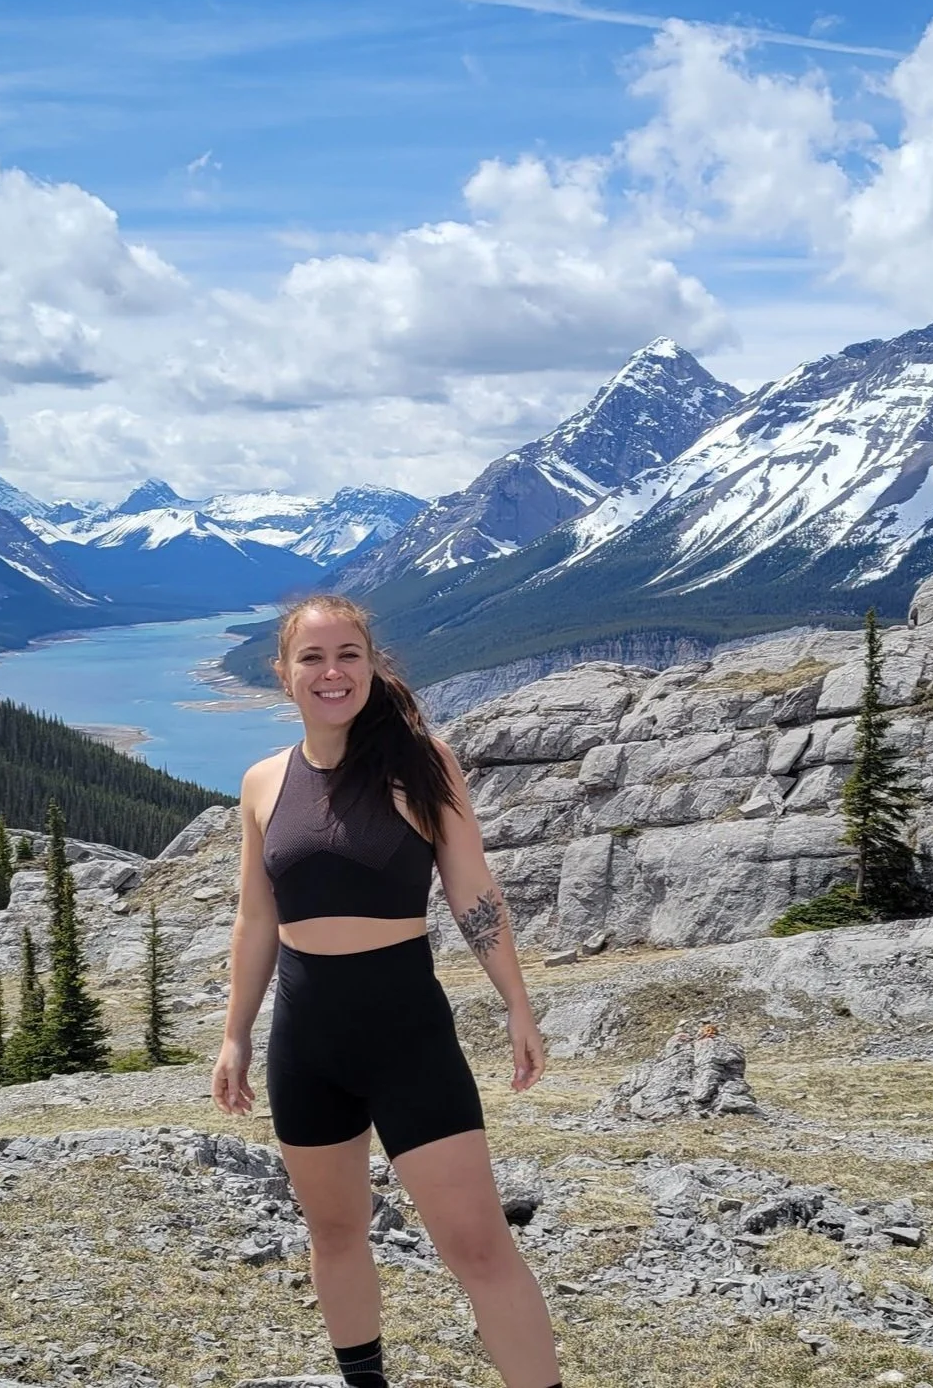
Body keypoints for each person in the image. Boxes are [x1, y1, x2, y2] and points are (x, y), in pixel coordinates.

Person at [210, 593, 564, 1388]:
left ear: (372, 665)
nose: (332, 672)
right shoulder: (264, 782)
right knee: (335, 1236)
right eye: (312, 658)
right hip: (306, 1039)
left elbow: (474, 889)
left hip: (407, 1034)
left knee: (478, 1245)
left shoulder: (422, 763)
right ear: (284, 673)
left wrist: (516, 1002)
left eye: (348, 656)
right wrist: (235, 1033)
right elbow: (256, 916)